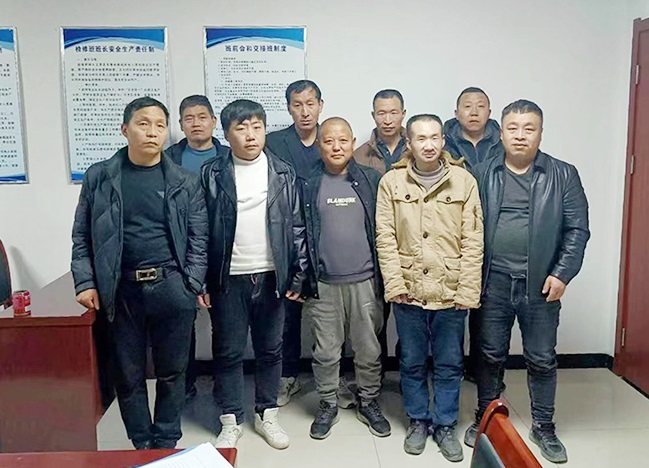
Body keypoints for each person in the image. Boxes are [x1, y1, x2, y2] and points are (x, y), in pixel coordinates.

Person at [71, 96, 208, 450]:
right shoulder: (100, 177)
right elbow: (82, 234)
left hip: (171, 286)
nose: (152, 132)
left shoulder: (184, 180)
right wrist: (85, 281)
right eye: (143, 124)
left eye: (160, 125)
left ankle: (166, 439)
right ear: (125, 129)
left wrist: (191, 282)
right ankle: (141, 441)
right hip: (120, 289)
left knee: (173, 372)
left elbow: (199, 237)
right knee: (128, 375)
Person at [464, 100, 590, 465]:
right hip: (493, 283)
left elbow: (577, 230)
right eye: (513, 128)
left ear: (540, 133)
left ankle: (543, 426)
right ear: (501, 133)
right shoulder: (482, 173)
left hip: (540, 286)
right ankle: (486, 417)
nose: (520, 135)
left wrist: (562, 273)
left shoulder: (563, 174)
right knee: (489, 356)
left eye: (529, 128)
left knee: (541, 358)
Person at [200, 99, 308, 450]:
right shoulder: (211, 174)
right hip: (227, 278)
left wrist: (297, 274)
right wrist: (200, 279)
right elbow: (199, 231)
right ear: (226, 134)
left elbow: (297, 227)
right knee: (228, 351)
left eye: (257, 127)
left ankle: (267, 414)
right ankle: (230, 419)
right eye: (241, 128)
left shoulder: (283, 172)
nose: (250, 135)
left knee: (271, 350)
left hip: (271, 276)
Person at [376, 114, 483, 462]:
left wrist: (467, 291)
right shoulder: (391, 182)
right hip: (408, 290)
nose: (429, 145)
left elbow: (473, 239)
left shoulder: (464, 182)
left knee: (450, 363)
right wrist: (395, 284)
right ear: (409, 143)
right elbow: (385, 238)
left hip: (451, 291)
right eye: (421, 138)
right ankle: (419, 420)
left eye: (435, 137)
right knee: (411, 361)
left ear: (443, 141)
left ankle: (445, 424)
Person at [302, 117, 390, 440]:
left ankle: (369, 401)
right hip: (324, 284)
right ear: (319, 146)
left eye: (343, 141)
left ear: (353, 143)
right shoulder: (308, 183)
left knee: (368, 348)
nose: (336, 147)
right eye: (329, 141)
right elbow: (299, 232)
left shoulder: (370, 180)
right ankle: (328, 402)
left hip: (366, 281)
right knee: (326, 350)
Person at [165, 94, 228, 400]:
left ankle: (223, 385)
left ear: (214, 122)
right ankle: (185, 384)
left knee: (224, 323)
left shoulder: (229, 156)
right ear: (181, 124)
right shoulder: (168, 159)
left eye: (202, 117)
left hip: (221, 249)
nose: (196, 123)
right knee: (181, 323)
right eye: (189, 118)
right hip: (180, 251)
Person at [443, 87, 504, 383]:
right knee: (451, 310)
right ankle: (450, 370)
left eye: (481, 106)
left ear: (490, 112)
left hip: (491, 231)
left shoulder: (503, 143)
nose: (474, 111)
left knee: (487, 311)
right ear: (456, 113)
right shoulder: (443, 143)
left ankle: (483, 371)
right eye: (467, 106)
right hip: (451, 233)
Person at [353, 89, 407, 175]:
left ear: (403, 114)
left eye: (393, 113)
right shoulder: (359, 156)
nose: (388, 121)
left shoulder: (416, 150)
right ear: (373, 115)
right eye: (381, 114)